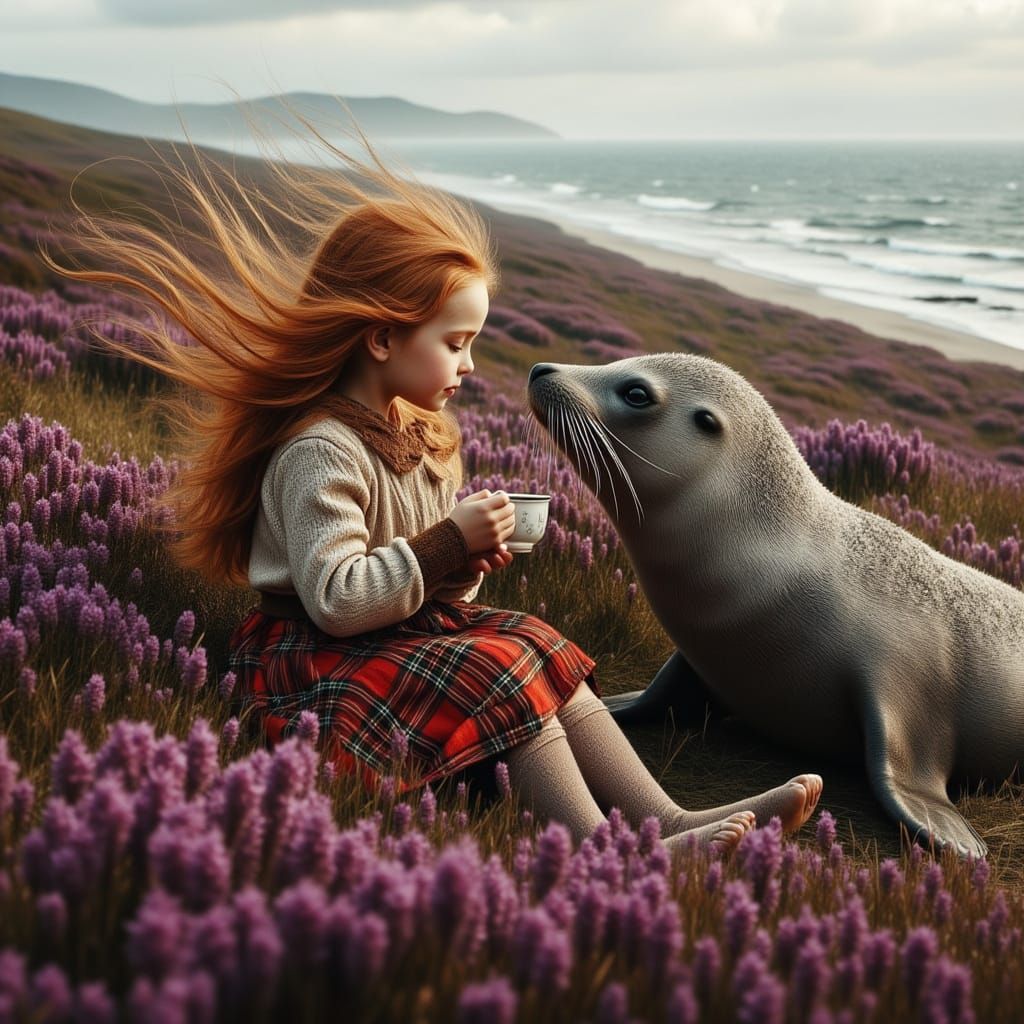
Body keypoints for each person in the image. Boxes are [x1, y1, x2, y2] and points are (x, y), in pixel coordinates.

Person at [47, 115, 821, 854]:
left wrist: (461, 571)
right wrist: (447, 541)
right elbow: (340, 601)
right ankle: (604, 852)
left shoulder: (429, 439)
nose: (470, 366)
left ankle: (669, 819)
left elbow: (421, 591)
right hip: (313, 661)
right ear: (382, 337)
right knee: (496, 667)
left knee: (533, 642)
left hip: (397, 635)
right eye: (455, 344)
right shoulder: (320, 451)